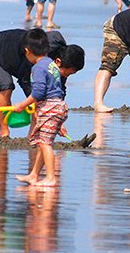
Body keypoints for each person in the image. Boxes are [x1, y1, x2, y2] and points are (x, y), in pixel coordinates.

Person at [13, 29, 85, 187]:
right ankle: (33, 175)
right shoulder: (51, 64)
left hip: (50, 108)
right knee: (42, 142)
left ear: (28, 51)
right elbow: (56, 89)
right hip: (58, 106)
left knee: (45, 144)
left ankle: (51, 178)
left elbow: (38, 92)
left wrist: (22, 105)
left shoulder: (38, 67)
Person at [0, 28, 71, 137]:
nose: (66, 76)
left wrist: (56, 117)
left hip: (15, 55)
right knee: (6, 86)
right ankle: (4, 133)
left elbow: (58, 87)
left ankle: (32, 136)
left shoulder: (61, 56)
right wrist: (40, 106)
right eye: (66, 73)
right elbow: (26, 82)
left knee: (39, 101)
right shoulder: (32, 56)